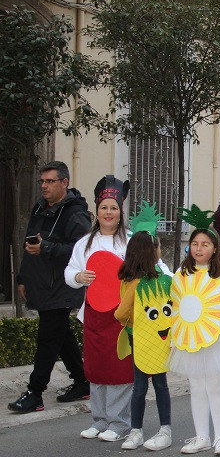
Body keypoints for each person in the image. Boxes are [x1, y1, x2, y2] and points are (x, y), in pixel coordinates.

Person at [8, 161, 92, 414]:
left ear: (64, 183)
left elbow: (80, 252)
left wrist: (46, 248)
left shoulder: (76, 214)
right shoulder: (39, 207)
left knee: (47, 339)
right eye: (42, 181)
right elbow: (29, 242)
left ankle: (35, 393)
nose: (43, 186)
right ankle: (82, 381)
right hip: (40, 283)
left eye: (49, 181)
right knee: (61, 335)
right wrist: (23, 277)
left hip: (61, 287)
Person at [169, 221, 220, 455]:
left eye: (205, 244)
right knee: (196, 387)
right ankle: (201, 437)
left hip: (219, 339)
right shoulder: (182, 273)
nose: (198, 249)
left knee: (215, 387)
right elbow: (177, 304)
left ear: (215, 248)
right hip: (191, 338)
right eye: (194, 244)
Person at [64, 176, 133, 441]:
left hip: (122, 317)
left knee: (120, 369)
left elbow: (154, 270)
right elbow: (69, 272)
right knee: (96, 367)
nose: (109, 212)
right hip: (93, 314)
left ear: (120, 211)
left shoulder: (130, 242)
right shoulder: (85, 244)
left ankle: (119, 423)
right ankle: (99, 419)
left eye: (113, 208)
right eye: (104, 207)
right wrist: (79, 277)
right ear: (97, 210)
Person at [115, 231, 173, 451]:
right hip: (157, 337)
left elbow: (120, 314)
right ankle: (164, 428)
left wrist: (132, 320)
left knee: (139, 386)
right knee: (160, 384)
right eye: (157, 247)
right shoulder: (157, 281)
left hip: (137, 336)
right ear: (151, 252)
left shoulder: (131, 281)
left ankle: (136, 430)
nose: (160, 251)